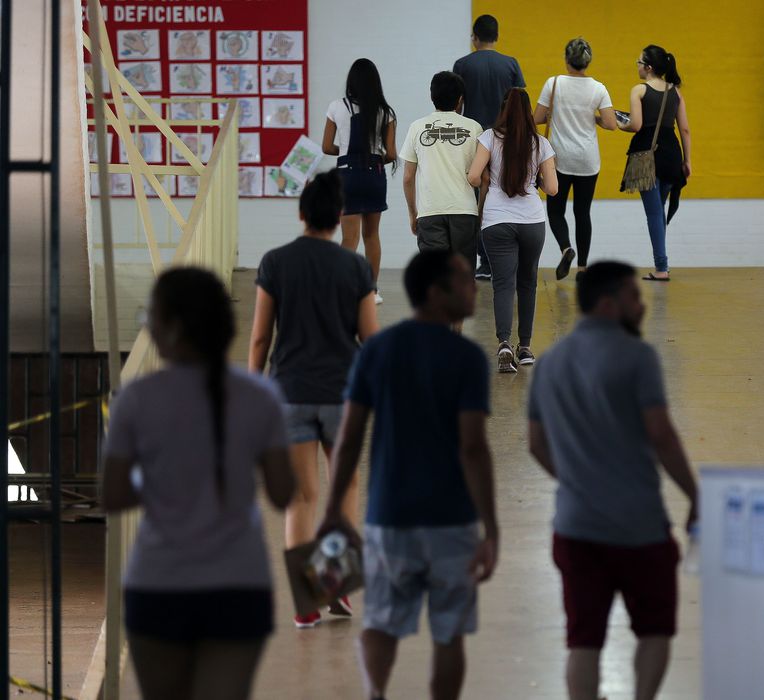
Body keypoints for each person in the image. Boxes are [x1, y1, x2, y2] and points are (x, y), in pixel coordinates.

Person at [102, 267, 295, 700]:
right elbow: (283, 492)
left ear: (169, 328)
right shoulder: (259, 397)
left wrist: (162, 483)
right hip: (239, 585)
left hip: (158, 585)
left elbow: (113, 495)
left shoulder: (135, 399)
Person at [317, 250, 499, 700]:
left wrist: (332, 511)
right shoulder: (467, 359)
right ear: (435, 293)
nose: (474, 286)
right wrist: (490, 527)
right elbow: (473, 447)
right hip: (451, 521)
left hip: (389, 517)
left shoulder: (378, 349)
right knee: (448, 632)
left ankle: (376, 693)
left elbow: (350, 436)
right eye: (463, 279)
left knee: (381, 622)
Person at [527, 261, 698, 700]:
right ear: (608, 303)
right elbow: (661, 434)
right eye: (633, 297)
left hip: (575, 525)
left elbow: (535, 444)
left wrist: (577, 480)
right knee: (655, 627)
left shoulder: (549, 363)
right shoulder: (637, 356)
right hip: (638, 524)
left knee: (583, 638)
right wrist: (695, 494)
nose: (641, 306)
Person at [248, 170, 378, 628]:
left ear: (301, 213)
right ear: (340, 217)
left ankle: (306, 604)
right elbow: (370, 338)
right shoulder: (355, 267)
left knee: (300, 498)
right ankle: (337, 590)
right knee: (343, 489)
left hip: (290, 394)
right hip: (343, 395)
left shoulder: (275, 262)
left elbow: (261, 338)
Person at [467, 88, 557, 373]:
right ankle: (526, 347)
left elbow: (472, 176)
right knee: (527, 283)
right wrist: (536, 179)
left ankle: (504, 342)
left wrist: (489, 175)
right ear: (529, 112)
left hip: (497, 221)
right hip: (532, 221)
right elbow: (553, 188)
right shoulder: (540, 143)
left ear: (503, 110)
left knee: (502, 284)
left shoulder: (489, 137)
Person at [401, 70, 484, 333]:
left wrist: (412, 213)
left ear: (431, 96)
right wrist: (479, 212)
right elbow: (480, 176)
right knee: (460, 276)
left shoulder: (416, 127)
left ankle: (436, 333)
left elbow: (407, 177)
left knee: (434, 278)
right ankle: (456, 333)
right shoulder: (474, 128)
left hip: (430, 212)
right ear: (460, 99)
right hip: (464, 211)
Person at [534, 37, 617, 279]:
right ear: (587, 61)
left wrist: (556, 113)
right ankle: (582, 267)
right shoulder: (598, 88)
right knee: (583, 213)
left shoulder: (554, 84)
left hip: (559, 159)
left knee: (555, 210)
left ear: (566, 59)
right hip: (588, 160)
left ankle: (565, 248)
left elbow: (537, 117)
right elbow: (611, 124)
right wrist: (594, 118)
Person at [453, 14, 526, 281]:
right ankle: (496, 262)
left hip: (473, 142)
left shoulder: (462, 64)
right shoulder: (510, 64)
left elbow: (456, 106)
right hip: (504, 141)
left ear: (474, 37)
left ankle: (474, 260)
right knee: (502, 198)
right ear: (496, 37)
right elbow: (520, 104)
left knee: (473, 204)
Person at [323, 58, 399, 304]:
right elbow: (391, 154)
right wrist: (372, 158)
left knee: (349, 238)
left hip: (347, 175)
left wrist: (347, 154)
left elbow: (326, 146)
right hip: (374, 175)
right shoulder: (385, 112)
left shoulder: (337, 106)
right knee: (371, 236)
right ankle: (371, 291)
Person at [618, 45, 691, 282]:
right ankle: (662, 264)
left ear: (648, 67)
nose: (637, 66)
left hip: (646, 156)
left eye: (639, 62)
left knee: (654, 214)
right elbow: (685, 130)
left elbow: (636, 125)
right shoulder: (675, 92)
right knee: (658, 212)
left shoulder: (639, 90)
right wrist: (688, 160)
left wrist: (618, 124)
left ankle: (662, 268)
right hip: (672, 154)